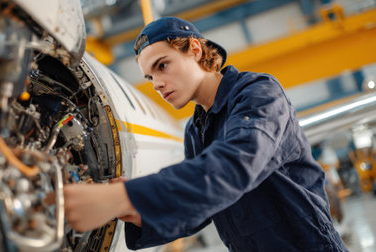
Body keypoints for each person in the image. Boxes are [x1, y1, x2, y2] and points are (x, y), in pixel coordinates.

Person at [57, 17, 349, 251]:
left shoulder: (257, 93)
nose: (157, 84)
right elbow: (201, 208)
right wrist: (135, 214)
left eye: (162, 65)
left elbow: (231, 168)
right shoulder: (195, 130)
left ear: (195, 50)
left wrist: (124, 196)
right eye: (150, 76)